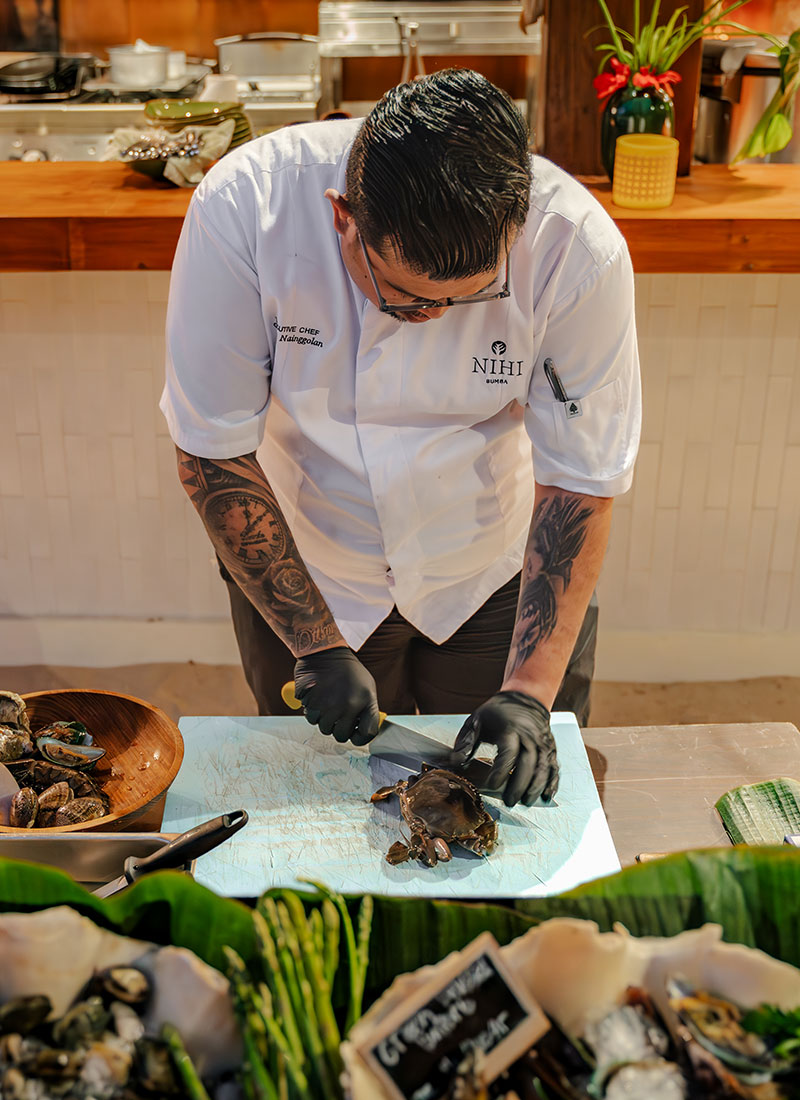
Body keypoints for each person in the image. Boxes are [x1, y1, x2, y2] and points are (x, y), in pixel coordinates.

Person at [160, 68, 641, 809]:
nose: (434, 317)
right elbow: (210, 449)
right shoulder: (244, 206)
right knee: (317, 808)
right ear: (342, 217)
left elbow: (581, 478)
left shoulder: (578, 247)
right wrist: (314, 644)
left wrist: (529, 693)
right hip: (309, 558)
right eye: (404, 294)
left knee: (508, 805)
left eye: (469, 297)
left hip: (493, 567)